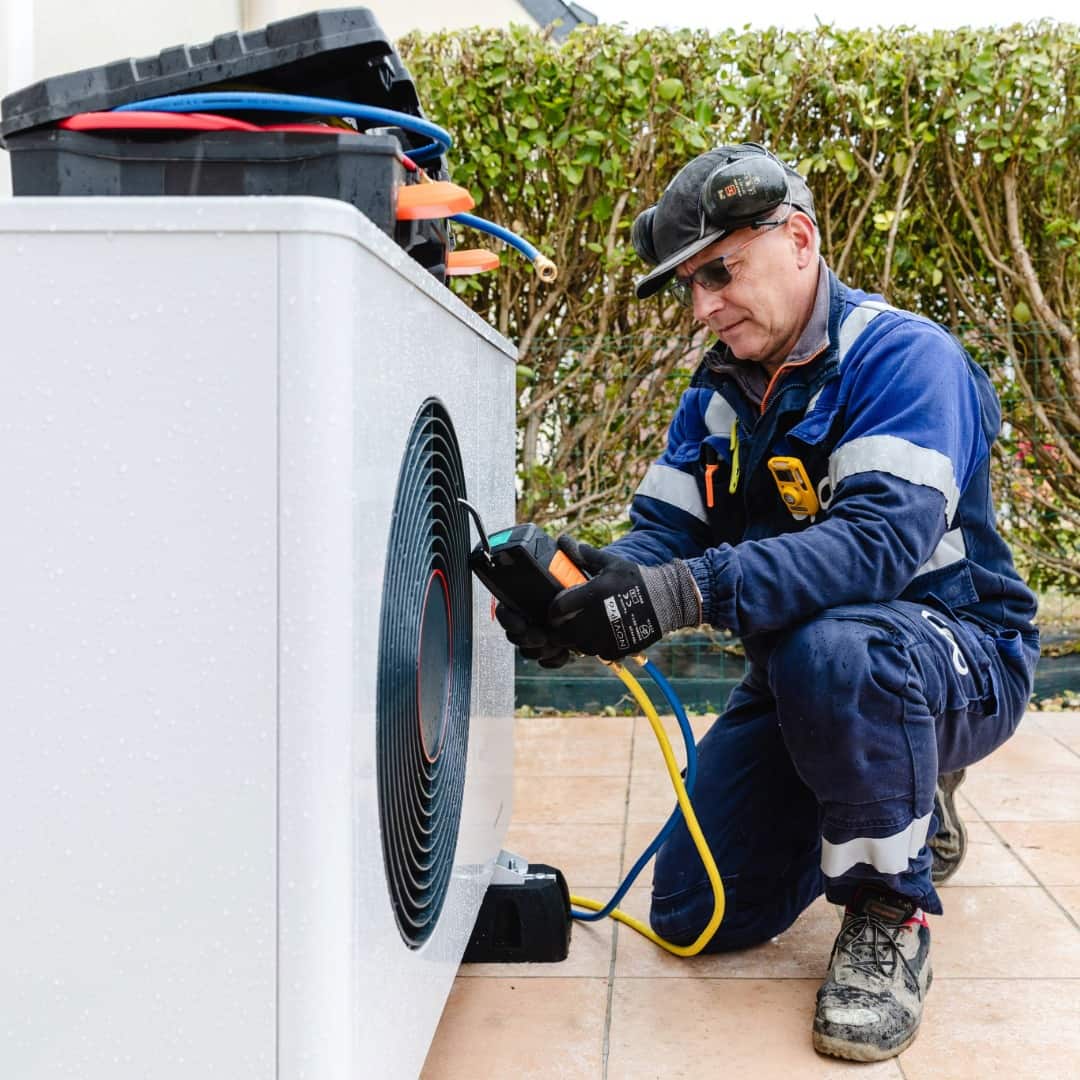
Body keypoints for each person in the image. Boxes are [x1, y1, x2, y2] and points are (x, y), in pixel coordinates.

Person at [497, 143, 1040, 1062]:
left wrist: (687, 593)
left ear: (798, 239)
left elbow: (875, 548)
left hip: (955, 655)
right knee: (699, 910)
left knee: (835, 650)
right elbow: (662, 540)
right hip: (805, 673)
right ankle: (885, 779)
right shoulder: (715, 396)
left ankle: (890, 908)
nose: (704, 305)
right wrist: (597, 591)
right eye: (690, 286)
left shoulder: (906, 360)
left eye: (721, 271)